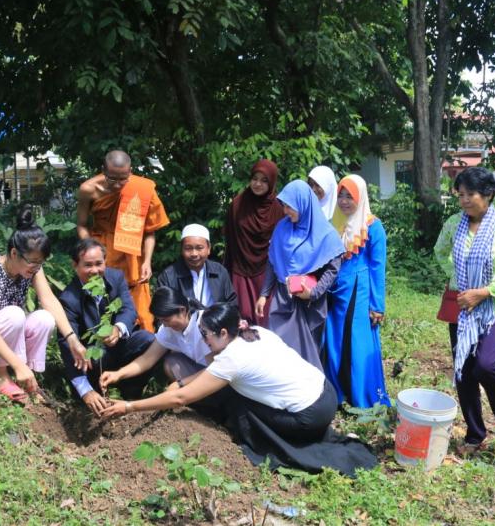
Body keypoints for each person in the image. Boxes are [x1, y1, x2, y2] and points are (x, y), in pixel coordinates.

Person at [101, 303, 378, 477]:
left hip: (309, 415)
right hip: (324, 393)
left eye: (206, 335)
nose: (204, 341)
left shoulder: (231, 359)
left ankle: (271, 441)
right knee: (238, 391)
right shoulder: (255, 332)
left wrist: (129, 406)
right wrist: (183, 381)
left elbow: (181, 398)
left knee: (238, 401)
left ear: (223, 333)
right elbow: (199, 377)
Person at [434, 166, 495, 455]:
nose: (463, 200)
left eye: (470, 194)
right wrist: (458, 279)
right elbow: (440, 251)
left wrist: (483, 292)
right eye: (460, 194)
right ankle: (475, 434)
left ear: (487, 194)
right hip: (463, 308)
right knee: (464, 371)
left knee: (486, 364)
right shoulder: (453, 224)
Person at [0, 206, 88, 404]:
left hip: (5, 340)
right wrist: (17, 364)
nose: (36, 268)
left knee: (45, 318)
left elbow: (49, 300)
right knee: (14, 314)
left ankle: (31, 379)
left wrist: (72, 339)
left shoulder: (32, 269)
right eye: (32, 262)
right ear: (14, 253)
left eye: (40, 263)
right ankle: (1, 376)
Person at [100, 287, 231, 421]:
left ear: (182, 310)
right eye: (161, 320)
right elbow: (147, 359)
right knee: (171, 362)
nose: (165, 325)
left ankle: (217, 409)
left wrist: (180, 384)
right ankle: (199, 406)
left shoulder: (204, 326)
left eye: (167, 320)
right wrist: (118, 374)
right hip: (203, 373)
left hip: (223, 378)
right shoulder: (169, 330)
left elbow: (213, 369)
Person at [57, 239, 156, 416]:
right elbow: (67, 343)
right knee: (87, 357)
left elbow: (128, 309)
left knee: (148, 340)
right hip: (93, 359)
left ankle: (131, 392)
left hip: (120, 346)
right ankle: (98, 394)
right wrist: (85, 391)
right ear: (75, 265)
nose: (95, 270)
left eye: (99, 264)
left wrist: (117, 329)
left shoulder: (116, 278)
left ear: (105, 262)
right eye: (88, 265)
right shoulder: (68, 299)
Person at [76, 150, 170, 332]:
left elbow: (149, 231)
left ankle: (143, 350)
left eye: (123, 179)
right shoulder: (88, 189)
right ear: (103, 170)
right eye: (112, 179)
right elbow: (81, 224)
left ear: (130, 171)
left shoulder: (141, 188)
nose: (118, 185)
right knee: (105, 305)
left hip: (132, 254)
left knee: (141, 312)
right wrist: (91, 251)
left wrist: (147, 262)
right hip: (102, 252)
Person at [256, 180, 345, 369]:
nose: (285, 211)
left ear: (304, 204)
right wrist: (264, 294)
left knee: (307, 353)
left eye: (290, 206)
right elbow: (272, 261)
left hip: (309, 303)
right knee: (280, 349)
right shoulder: (282, 227)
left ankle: (311, 395)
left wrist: (313, 293)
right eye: (284, 206)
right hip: (282, 299)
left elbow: (333, 269)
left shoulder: (326, 234)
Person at [324, 174, 390, 409]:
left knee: (357, 343)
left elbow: (377, 267)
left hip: (359, 292)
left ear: (360, 197)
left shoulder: (373, 226)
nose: (343, 201)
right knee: (333, 341)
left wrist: (377, 305)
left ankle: (362, 397)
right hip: (334, 292)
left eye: (349, 196)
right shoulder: (335, 223)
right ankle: (338, 393)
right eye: (340, 195)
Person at [224, 159, 285, 327]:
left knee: (266, 319)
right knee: (242, 319)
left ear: (272, 182)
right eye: (255, 178)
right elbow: (229, 238)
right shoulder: (237, 204)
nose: (257, 184)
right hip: (240, 269)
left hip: (267, 271)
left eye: (264, 180)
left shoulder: (278, 209)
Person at [156, 224, 237, 308]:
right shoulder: (168, 276)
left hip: (216, 320)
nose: (194, 254)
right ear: (181, 250)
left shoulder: (219, 271)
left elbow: (231, 303)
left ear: (209, 248)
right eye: (188, 248)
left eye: (199, 248)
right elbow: (162, 311)